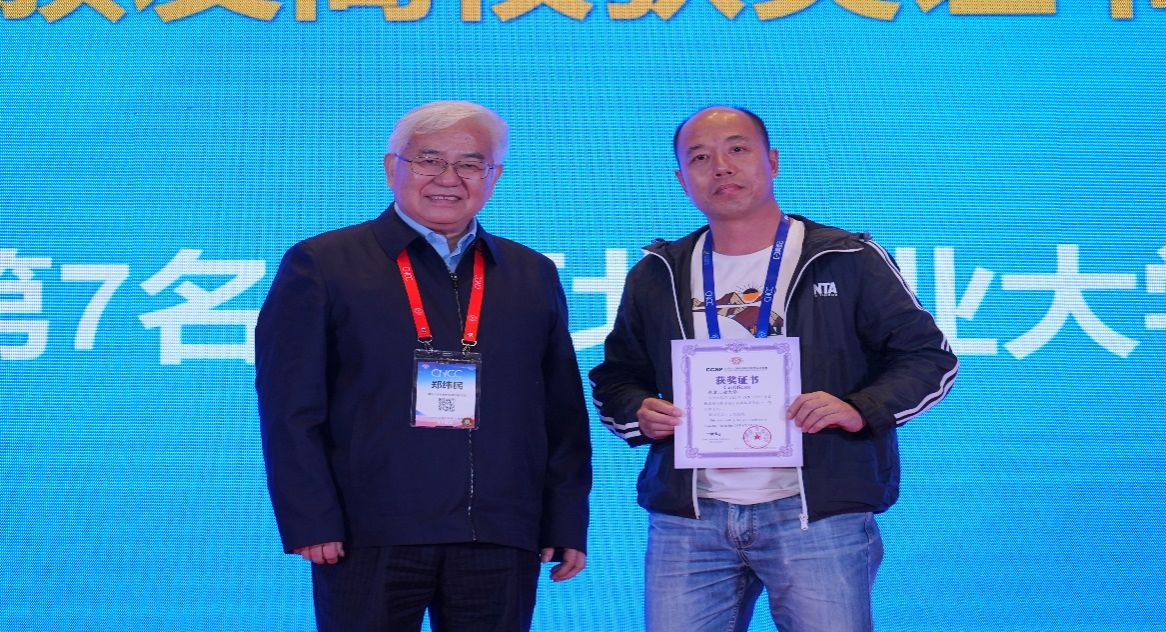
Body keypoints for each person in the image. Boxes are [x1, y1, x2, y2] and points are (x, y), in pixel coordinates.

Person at [589, 106, 958, 632]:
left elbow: (929, 358)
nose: (721, 166)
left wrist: (858, 409)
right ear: (681, 179)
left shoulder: (845, 257)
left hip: (815, 515)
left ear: (773, 161)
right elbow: (616, 377)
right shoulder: (657, 272)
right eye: (700, 158)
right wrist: (639, 413)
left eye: (737, 149)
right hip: (690, 518)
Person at [256, 100, 591, 632]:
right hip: (369, 533)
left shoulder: (531, 273)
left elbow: (562, 413)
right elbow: (289, 408)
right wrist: (312, 519)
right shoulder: (323, 264)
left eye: (470, 164)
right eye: (429, 160)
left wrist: (565, 519)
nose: (448, 178)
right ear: (392, 167)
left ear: (494, 176)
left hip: (498, 532)